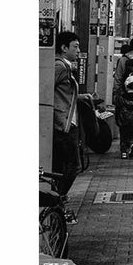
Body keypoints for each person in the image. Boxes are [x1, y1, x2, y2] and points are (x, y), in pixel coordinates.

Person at [52, 31, 82, 198]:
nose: (78, 50)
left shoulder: (65, 66)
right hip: (63, 124)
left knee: (61, 166)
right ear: (64, 48)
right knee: (72, 165)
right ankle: (57, 198)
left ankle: (56, 199)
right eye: (75, 47)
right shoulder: (60, 67)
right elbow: (44, 89)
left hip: (66, 121)